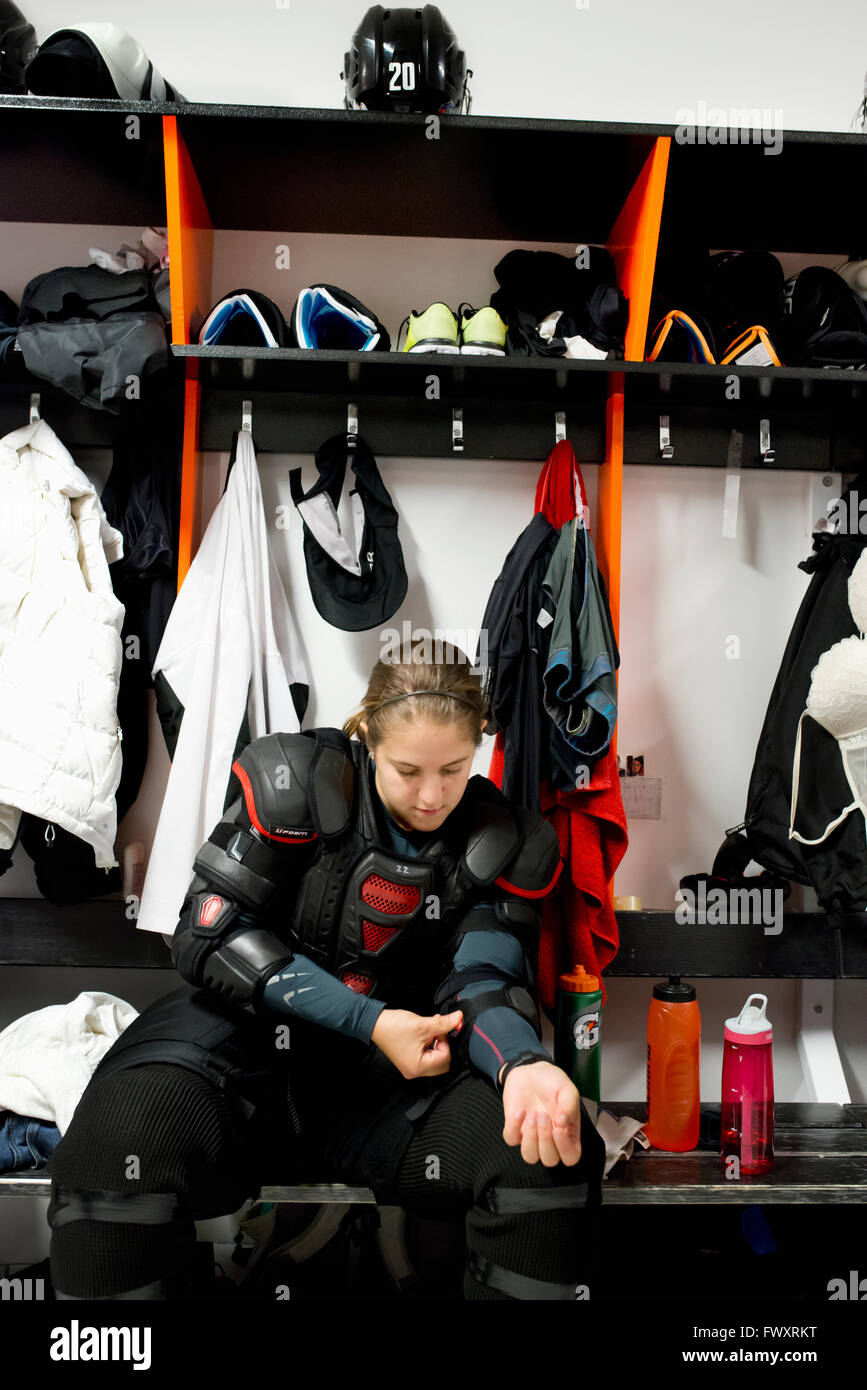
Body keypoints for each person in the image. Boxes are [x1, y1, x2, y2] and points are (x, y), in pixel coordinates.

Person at [46, 646, 606, 1301]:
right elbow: (208, 933)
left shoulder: (502, 838)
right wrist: (367, 1021)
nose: (432, 796)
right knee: (110, 1156)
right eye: (408, 770)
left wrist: (522, 1066)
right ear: (367, 733)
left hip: (391, 1085)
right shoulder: (293, 780)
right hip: (241, 1048)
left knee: (548, 1156)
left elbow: (483, 976)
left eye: (454, 770)